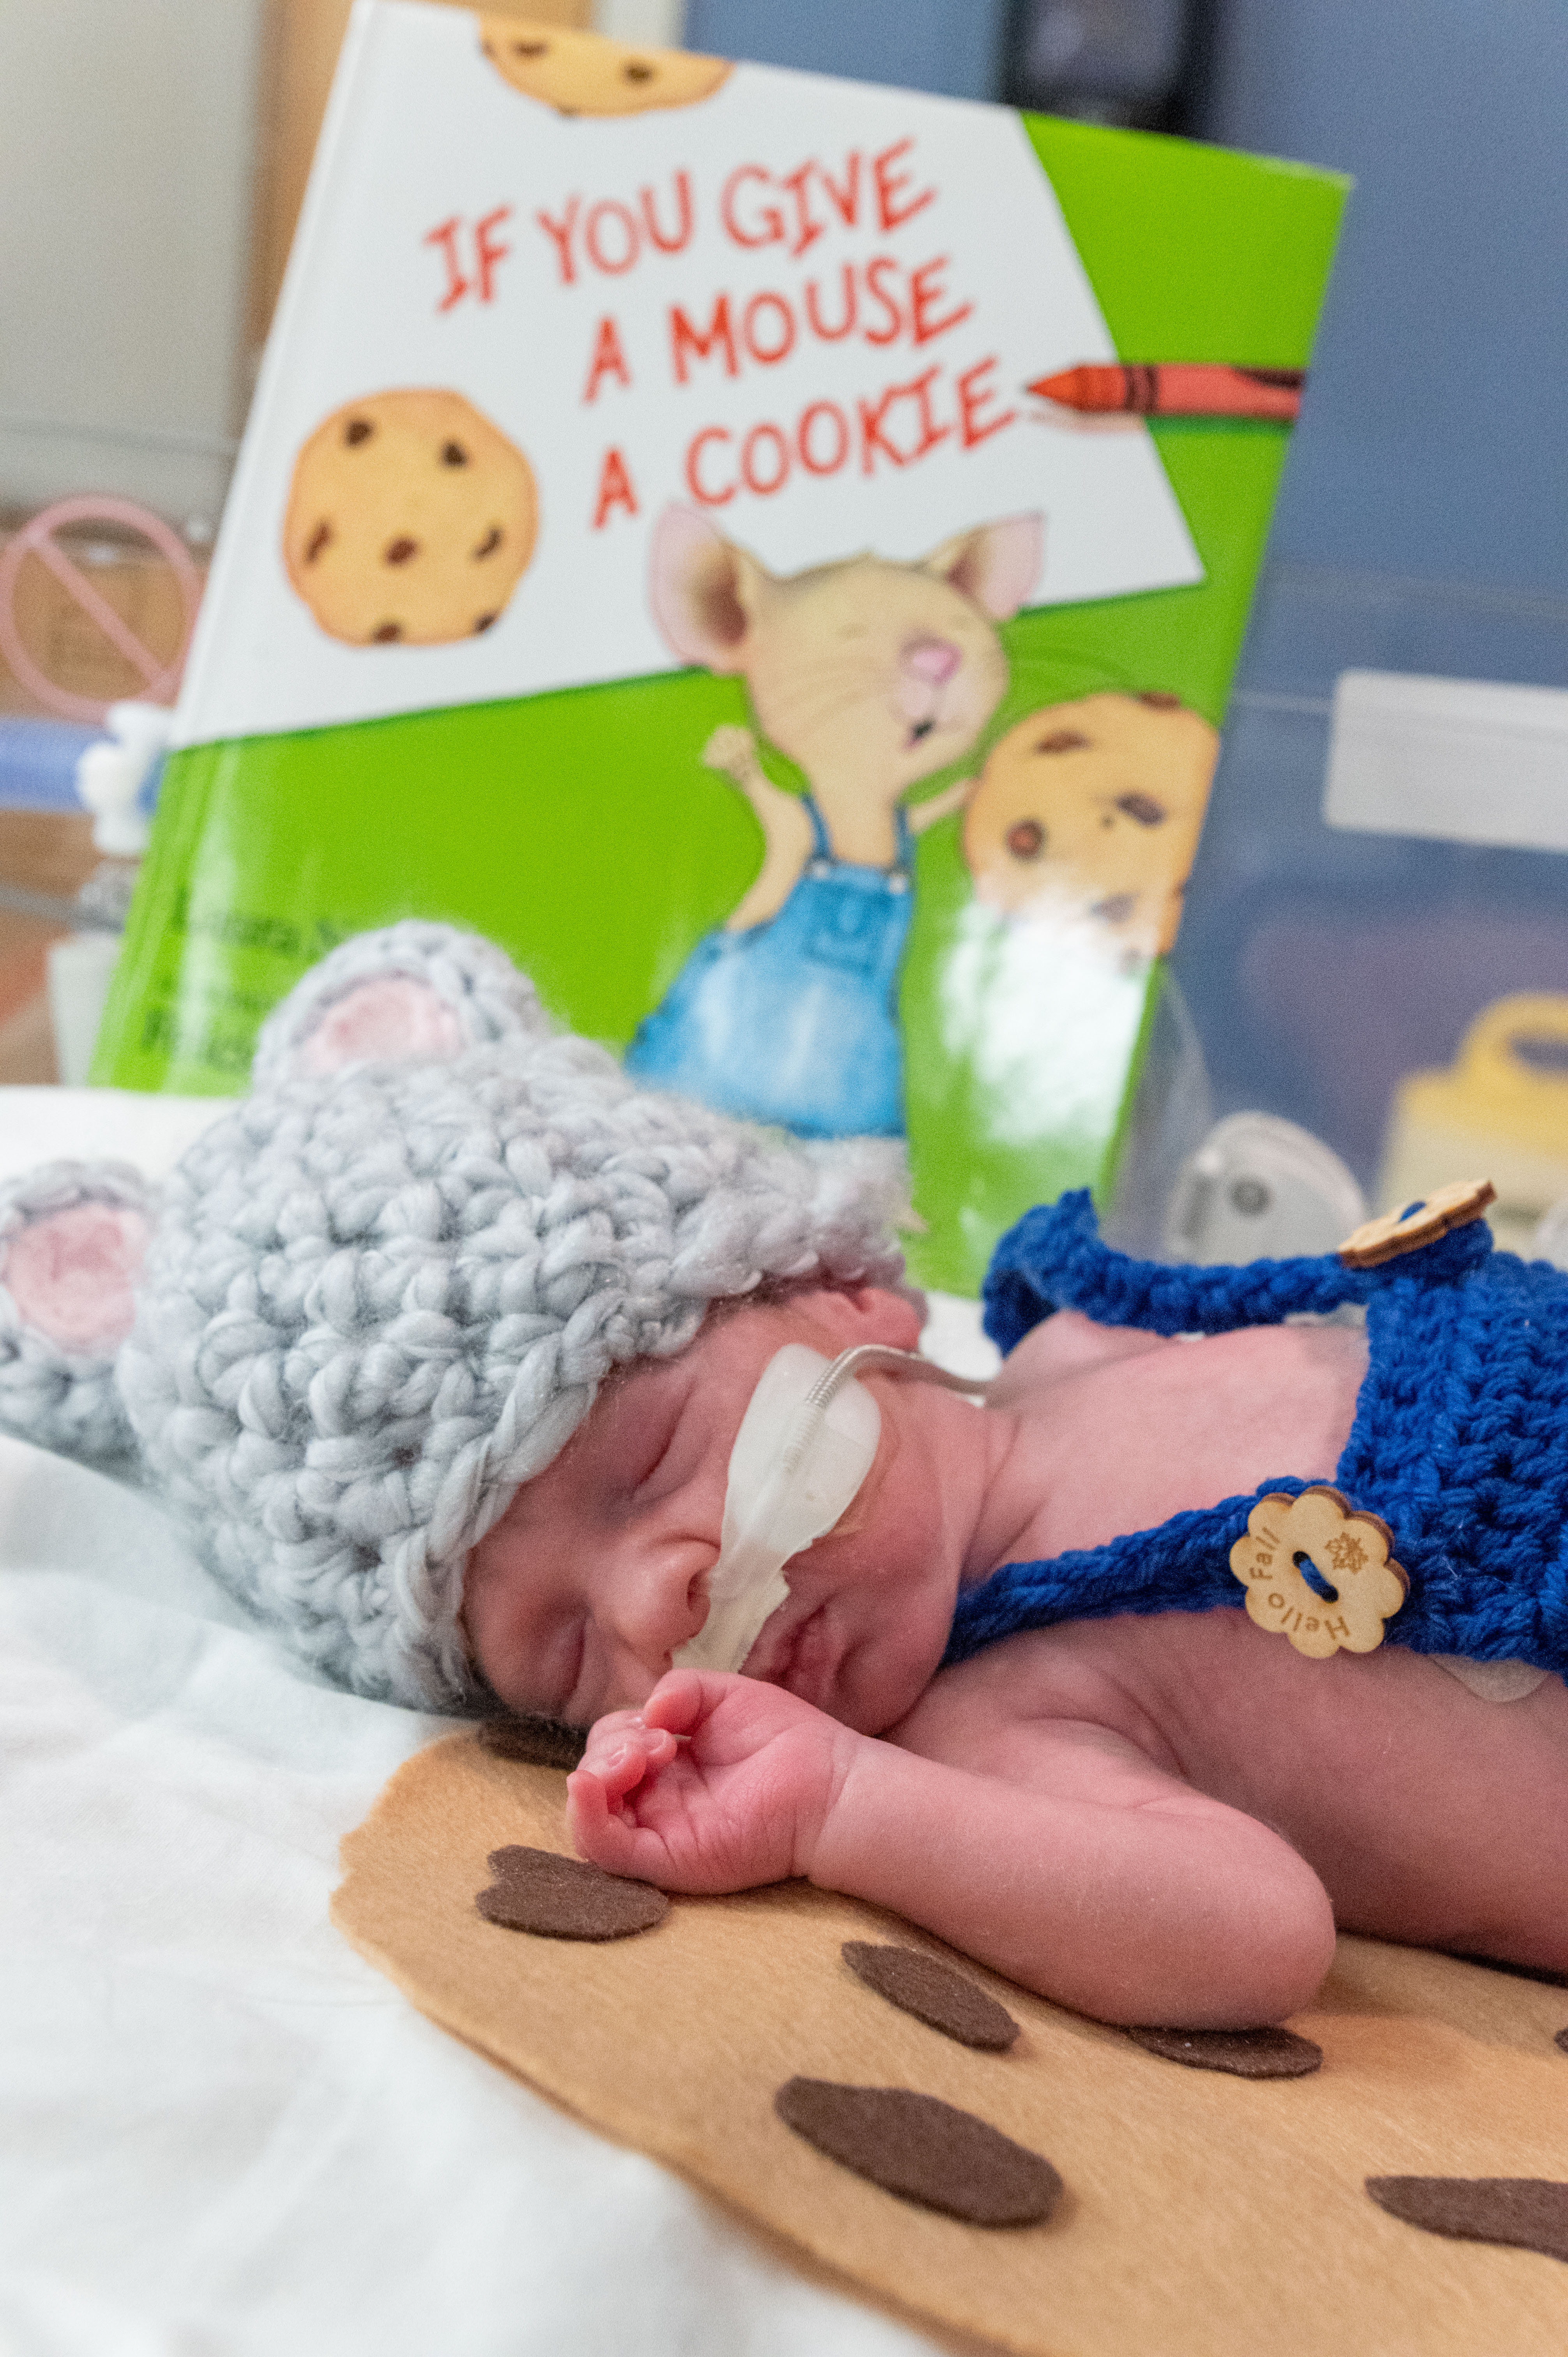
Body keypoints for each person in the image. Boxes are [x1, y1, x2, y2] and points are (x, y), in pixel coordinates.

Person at [3, 924, 1564, 2030]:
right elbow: (1247, 1935)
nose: (659, 1597)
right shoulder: (998, 1713)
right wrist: (841, 1805)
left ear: (840, 1288)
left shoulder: (1094, 1329)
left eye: (647, 1463)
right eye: (562, 1659)